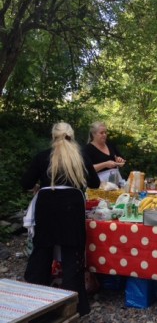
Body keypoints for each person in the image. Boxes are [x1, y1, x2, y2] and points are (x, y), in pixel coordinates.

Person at [20, 122, 100, 317]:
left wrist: (42, 184)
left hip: (46, 206)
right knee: (72, 256)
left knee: (41, 253)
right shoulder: (80, 156)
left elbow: (25, 183)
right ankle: (76, 307)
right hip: (72, 208)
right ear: (71, 136)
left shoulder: (42, 156)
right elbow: (95, 183)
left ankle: (34, 304)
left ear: (53, 136)